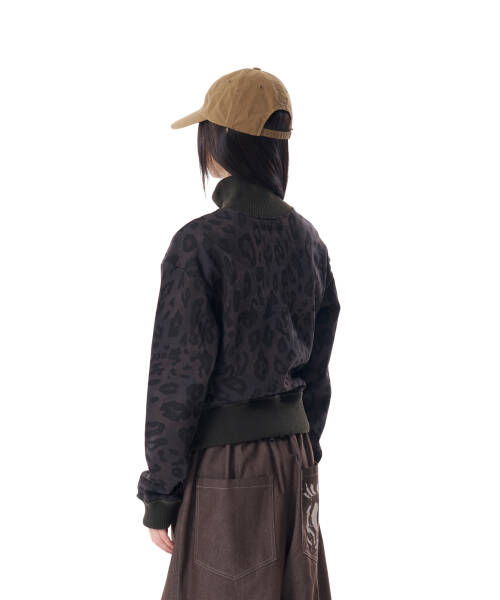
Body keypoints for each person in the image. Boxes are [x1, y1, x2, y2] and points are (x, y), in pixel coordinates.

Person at [136, 67, 341, 600]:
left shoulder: (200, 244)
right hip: (296, 460)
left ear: (219, 140)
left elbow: (177, 377)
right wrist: (303, 452)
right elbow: (317, 375)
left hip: (227, 469)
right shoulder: (309, 242)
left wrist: (161, 492)